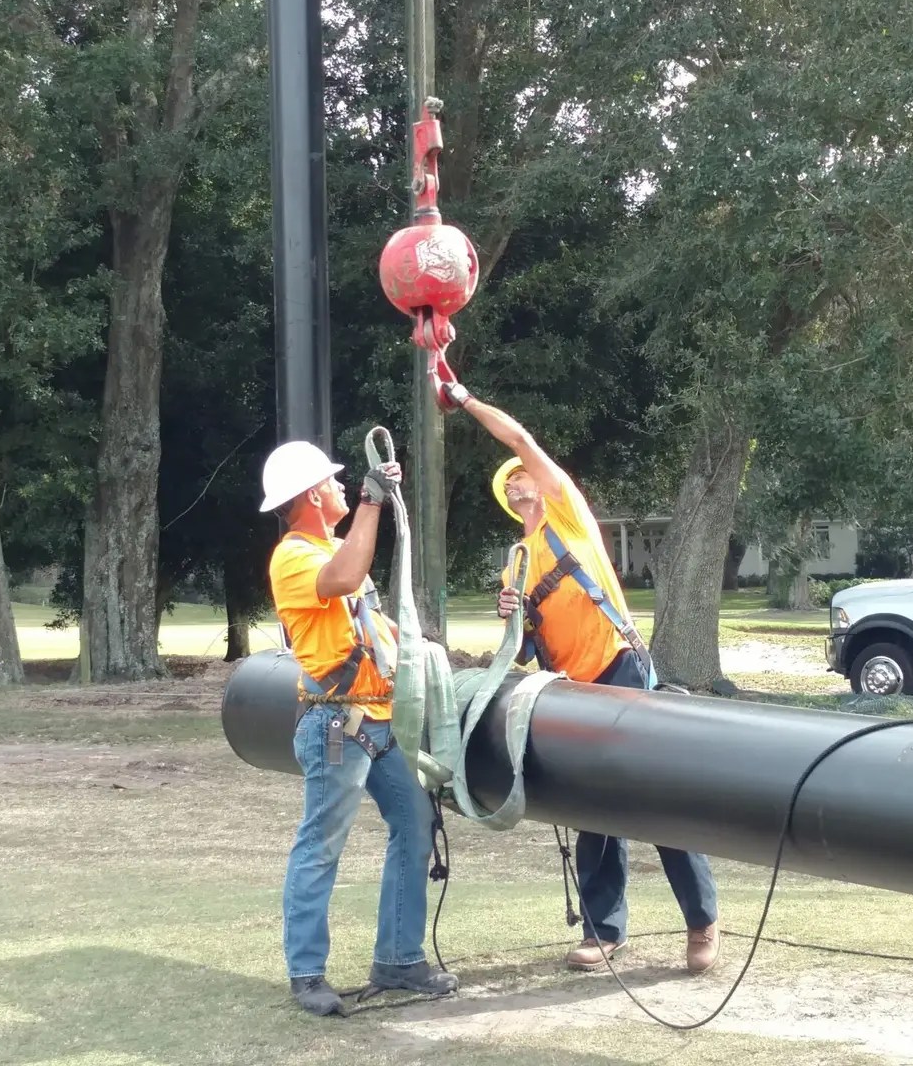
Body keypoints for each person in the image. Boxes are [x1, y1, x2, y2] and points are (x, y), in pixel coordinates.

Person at [441, 382, 722, 975]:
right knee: (592, 806)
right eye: (509, 482)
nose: (517, 480)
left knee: (657, 794)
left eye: (523, 475)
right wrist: (512, 617)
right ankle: (604, 931)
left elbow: (518, 436)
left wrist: (461, 398)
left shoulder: (568, 514)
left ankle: (701, 923)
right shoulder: (516, 560)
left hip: (621, 665)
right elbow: (520, 649)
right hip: (570, 686)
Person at [259, 439, 458, 1016]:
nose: (342, 487)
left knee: (415, 822)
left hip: (375, 718)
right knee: (321, 845)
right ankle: (306, 973)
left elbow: (371, 618)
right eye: (335, 482)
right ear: (310, 496)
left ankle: (398, 958)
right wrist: (371, 504)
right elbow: (347, 578)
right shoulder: (295, 556)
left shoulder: (326, 545)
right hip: (336, 723)